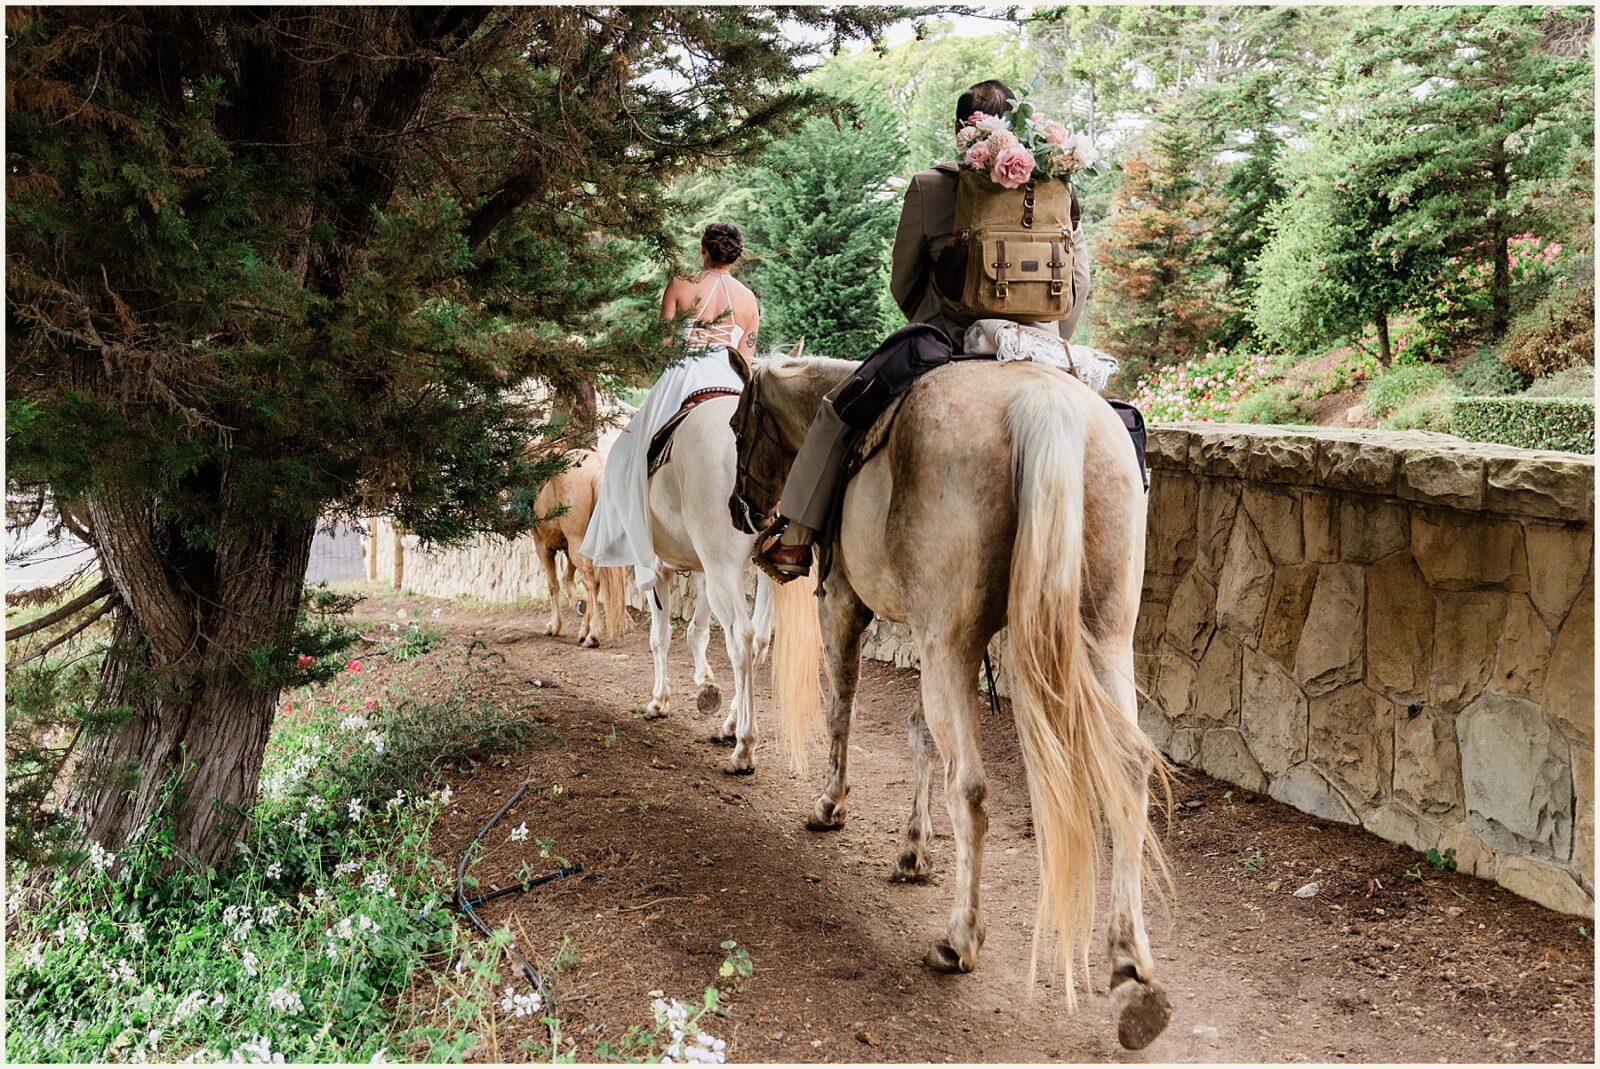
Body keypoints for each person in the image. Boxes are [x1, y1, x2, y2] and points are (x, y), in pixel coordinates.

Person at [756, 79, 1092, 579]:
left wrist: (931, 327)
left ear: (961, 130)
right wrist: (1046, 334)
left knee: (836, 413)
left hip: (949, 342)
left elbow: (905, 282)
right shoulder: (1057, 189)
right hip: (1044, 346)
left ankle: (797, 536)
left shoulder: (930, 187)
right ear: (1024, 127)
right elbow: (1079, 283)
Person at [582, 222, 760, 592]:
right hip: (729, 381)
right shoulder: (748, 300)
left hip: (685, 376)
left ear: (703, 250)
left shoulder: (680, 284)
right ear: (737, 256)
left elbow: (663, 346)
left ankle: (632, 542)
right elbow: (746, 358)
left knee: (624, 453)